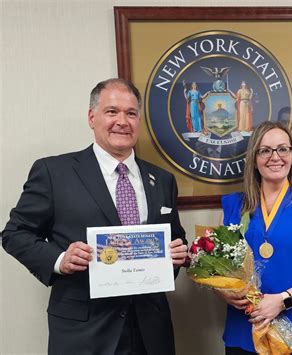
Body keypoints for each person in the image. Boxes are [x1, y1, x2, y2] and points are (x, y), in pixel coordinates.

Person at [2, 78, 188, 355]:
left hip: (150, 329)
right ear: (92, 117)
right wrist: (59, 260)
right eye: (112, 111)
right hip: (84, 331)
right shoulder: (54, 172)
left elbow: (174, 238)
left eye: (131, 113)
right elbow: (15, 234)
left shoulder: (162, 179)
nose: (122, 121)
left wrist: (177, 253)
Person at [218, 121, 292, 354]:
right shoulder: (233, 206)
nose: (275, 157)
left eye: (283, 149)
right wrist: (223, 292)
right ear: (254, 159)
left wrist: (283, 300)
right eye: (265, 150)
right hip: (246, 330)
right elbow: (220, 267)